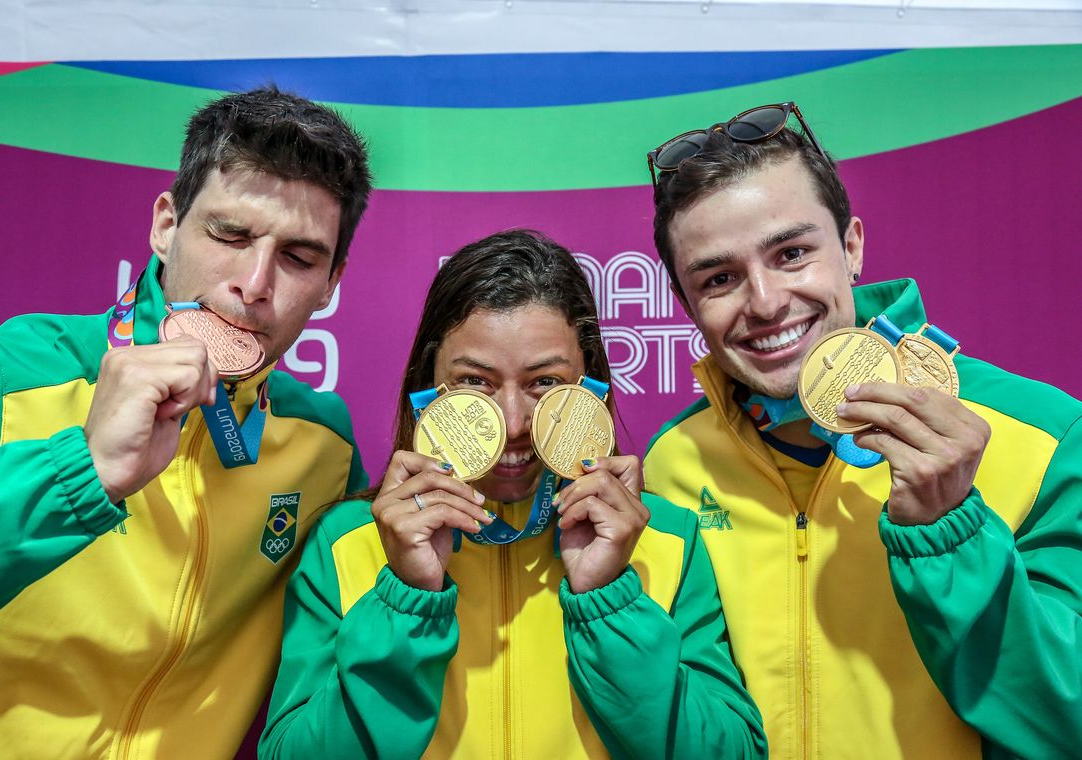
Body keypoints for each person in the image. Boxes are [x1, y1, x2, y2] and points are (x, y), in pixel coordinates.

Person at [0, 86, 372, 758]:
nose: (255, 284)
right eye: (230, 235)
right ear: (166, 226)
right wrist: (78, 473)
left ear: (331, 283)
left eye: (298, 258)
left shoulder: (326, 447)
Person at [643, 102, 1082, 758]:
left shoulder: (1044, 435)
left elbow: (1065, 725)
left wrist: (950, 536)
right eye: (720, 278)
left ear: (851, 248)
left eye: (792, 253)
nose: (765, 302)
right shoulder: (673, 462)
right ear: (685, 303)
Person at [258, 229, 767, 759]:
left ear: (590, 386)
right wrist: (406, 601)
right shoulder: (348, 541)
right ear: (427, 384)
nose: (513, 423)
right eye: (475, 382)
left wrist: (610, 601)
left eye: (545, 382)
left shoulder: (665, 537)